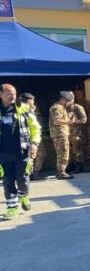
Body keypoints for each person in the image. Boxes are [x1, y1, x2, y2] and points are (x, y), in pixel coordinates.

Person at [0, 84, 41, 220]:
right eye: (9, 93)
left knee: (22, 179)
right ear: (1, 95)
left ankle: (24, 194)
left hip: (22, 151)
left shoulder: (24, 108)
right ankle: (12, 208)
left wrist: (34, 143)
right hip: (4, 153)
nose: (12, 96)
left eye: (14, 93)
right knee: (8, 181)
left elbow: (35, 127)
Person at [50, 91, 75, 179]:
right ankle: (61, 172)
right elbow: (56, 121)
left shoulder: (60, 107)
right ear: (63, 100)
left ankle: (61, 171)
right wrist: (69, 122)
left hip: (61, 133)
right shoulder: (57, 108)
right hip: (60, 134)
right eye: (67, 101)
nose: (68, 103)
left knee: (62, 153)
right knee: (63, 153)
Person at [19, 93, 44, 180]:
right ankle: (32, 173)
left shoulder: (31, 108)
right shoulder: (25, 109)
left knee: (32, 155)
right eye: (32, 100)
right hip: (29, 137)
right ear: (28, 100)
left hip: (33, 136)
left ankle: (30, 173)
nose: (33, 102)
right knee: (38, 154)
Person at [66, 93, 88, 174]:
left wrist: (72, 121)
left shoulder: (78, 107)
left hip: (77, 133)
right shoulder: (64, 108)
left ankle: (79, 166)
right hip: (68, 133)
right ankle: (71, 165)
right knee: (70, 150)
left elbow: (84, 120)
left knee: (77, 150)